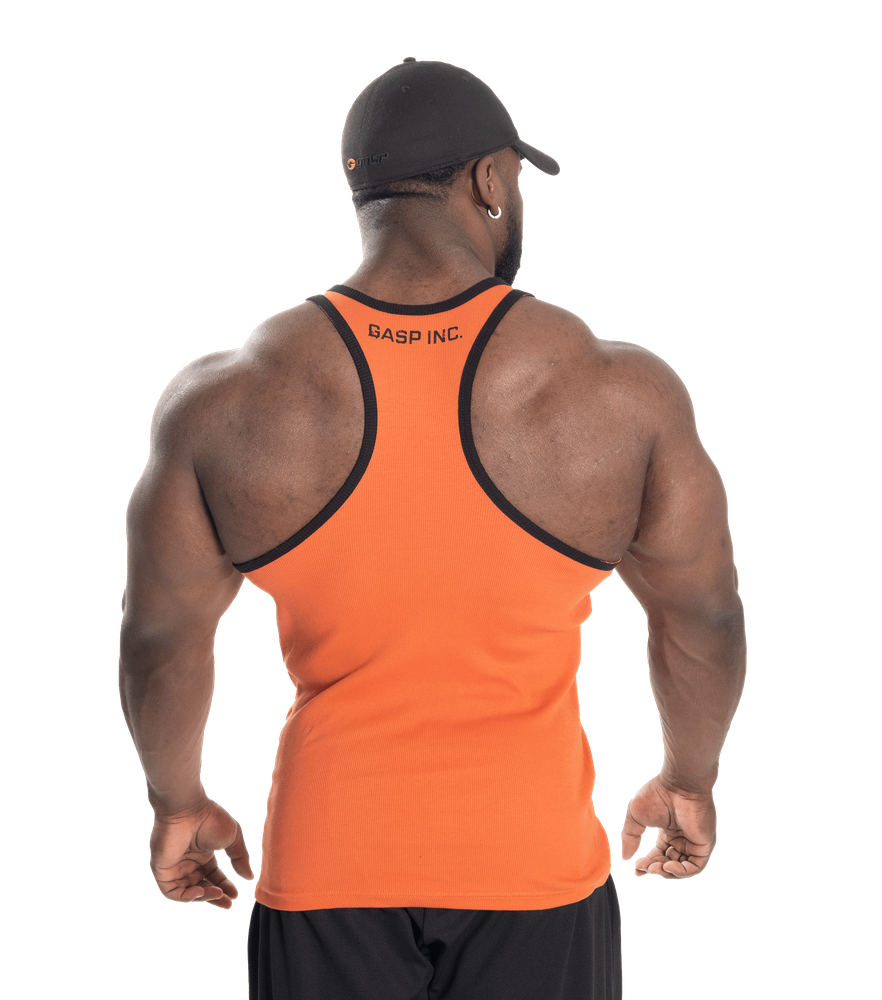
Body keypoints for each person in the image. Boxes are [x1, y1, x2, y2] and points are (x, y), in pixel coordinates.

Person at [117, 55, 747, 1000]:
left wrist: (175, 801)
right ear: (490, 180)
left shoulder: (226, 398)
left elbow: (159, 638)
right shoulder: (620, 393)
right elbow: (703, 618)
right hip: (534, 867)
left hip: (330, 867)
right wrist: (689, 779)